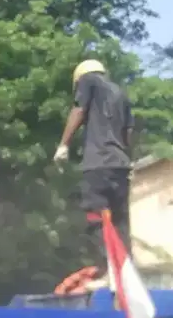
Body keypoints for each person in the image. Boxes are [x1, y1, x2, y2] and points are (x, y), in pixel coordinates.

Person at [53, 59, 134, 288]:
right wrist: (127, 160)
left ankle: (110, 273)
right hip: (120, 166)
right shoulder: (121, 93)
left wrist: (64, 145)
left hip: (97, 164)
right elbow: (129, 133)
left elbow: (79, 109)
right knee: (120, 222)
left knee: (95, 219)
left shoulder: (88, 82)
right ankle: (125, 274)